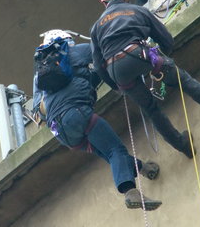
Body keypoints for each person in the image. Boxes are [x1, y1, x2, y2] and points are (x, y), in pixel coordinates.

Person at [90, 0, 200, 158]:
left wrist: (116, 86)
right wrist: (161, 62)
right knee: (186, 82)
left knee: (150, 109)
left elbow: (98, 66)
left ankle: (183, 146)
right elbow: (167, 41)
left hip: (116, 70)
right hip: (138, 54)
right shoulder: (138, 10)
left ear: (104, 3)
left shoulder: (96, 28)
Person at [32, 29, 162, 211]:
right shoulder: (78, 51)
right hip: (77, 113)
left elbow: (38, 112)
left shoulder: (39, 76)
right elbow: (108, 53)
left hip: (61, 133)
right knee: (115, 149)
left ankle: (143, 168)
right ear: (66, 41)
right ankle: (130, 191)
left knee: (109, 152)